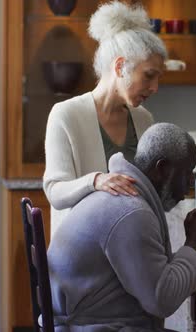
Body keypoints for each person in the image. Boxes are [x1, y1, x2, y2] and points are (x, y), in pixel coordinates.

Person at [47, 123, 196, 331]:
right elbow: (162, 300)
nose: (191, 182)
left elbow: (158, 272)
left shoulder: (127, 201)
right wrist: (194, 242)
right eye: (187, 172)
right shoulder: (131, 212)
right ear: (162, 169)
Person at [43, 1, 167, 235]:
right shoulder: (66, 114)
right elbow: (55, 191)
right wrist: (97, 181)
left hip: (133, 245)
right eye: (149, 76)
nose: (155, 87)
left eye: (158, 78)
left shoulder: (144, 119)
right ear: (120, 66)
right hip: (81, 251)